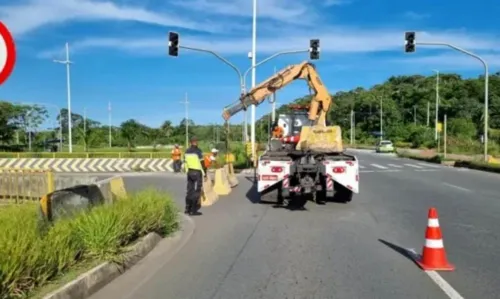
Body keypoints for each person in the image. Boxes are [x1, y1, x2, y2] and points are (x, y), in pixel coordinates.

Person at [183, 136, 204, 215]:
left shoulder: (187, 151)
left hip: (190, 172)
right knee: (197, 191)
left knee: (189, 190)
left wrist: (187, 171)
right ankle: (193, 210)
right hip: (197, 172)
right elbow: (202, 164)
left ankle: (187, 208)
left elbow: (185, 163)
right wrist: (204, 174)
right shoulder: (198, 151)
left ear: (190, 143)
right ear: (196, 142)